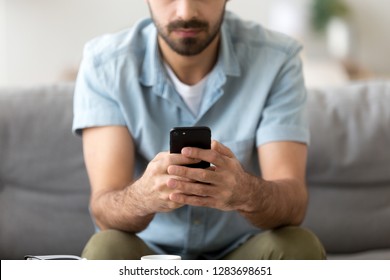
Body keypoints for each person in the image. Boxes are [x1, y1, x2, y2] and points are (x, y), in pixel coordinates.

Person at [72, 0, 326, 260]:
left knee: (298, 245)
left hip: (242, 252)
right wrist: (142, 197)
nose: (186, 12)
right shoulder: (105, 66)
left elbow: (294, 206)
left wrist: (245, 193)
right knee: (106, 248)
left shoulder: (277, 60)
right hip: (149, 254)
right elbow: (103, 210)